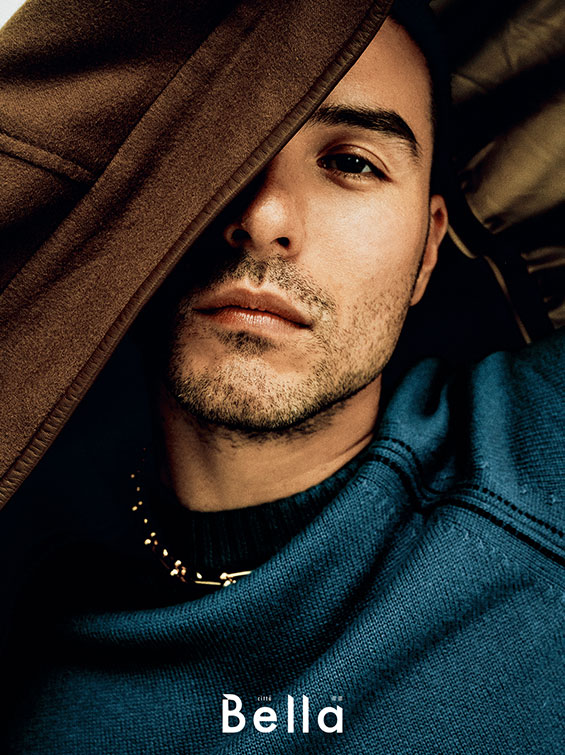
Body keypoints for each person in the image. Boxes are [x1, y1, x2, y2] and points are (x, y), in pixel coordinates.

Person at [0, 0, 563, 753]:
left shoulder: (542, 445)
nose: (265, 217)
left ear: (428, 248)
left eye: (352, 163)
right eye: (224, 143)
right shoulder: (27, 640)